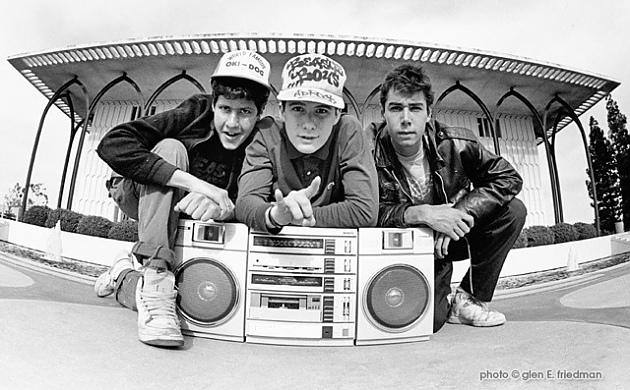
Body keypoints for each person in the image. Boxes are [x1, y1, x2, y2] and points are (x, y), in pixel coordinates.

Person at [94, 50, 272, 347]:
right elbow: (112, 144)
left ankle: (124, 274)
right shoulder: (195, 112)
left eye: (245, 112)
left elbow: (252, 202)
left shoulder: (260, 141)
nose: (232, 123)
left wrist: (221, 206)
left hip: (183, 209)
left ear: (258, 114)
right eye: (226, 108)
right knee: (171, 147)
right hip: (135, 193)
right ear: (213, 103)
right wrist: (198, 185)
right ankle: (154, 279)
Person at [367, 64, 527, 332]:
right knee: (429, 322)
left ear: (429, 113)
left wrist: (459, 213)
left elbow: (509, 178)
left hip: (445, 243)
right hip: (396, 245)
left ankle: (467, 300)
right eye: (396, 108)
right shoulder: (366, 150)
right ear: (383, 112)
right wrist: (423, 214)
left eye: (415, 108)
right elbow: (362, 212)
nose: (406, 118)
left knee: (513, 211)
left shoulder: (455, 142)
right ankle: (440, 303)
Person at [236, 53, 378, 231]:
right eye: (298, 108)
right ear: (282, 110)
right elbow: (246, 202)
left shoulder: (348, 130)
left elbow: (364, 211)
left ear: (336, 115)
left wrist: (294, 217)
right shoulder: (267, 132)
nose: (309, 124)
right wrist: (274, 215)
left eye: (321, 110)